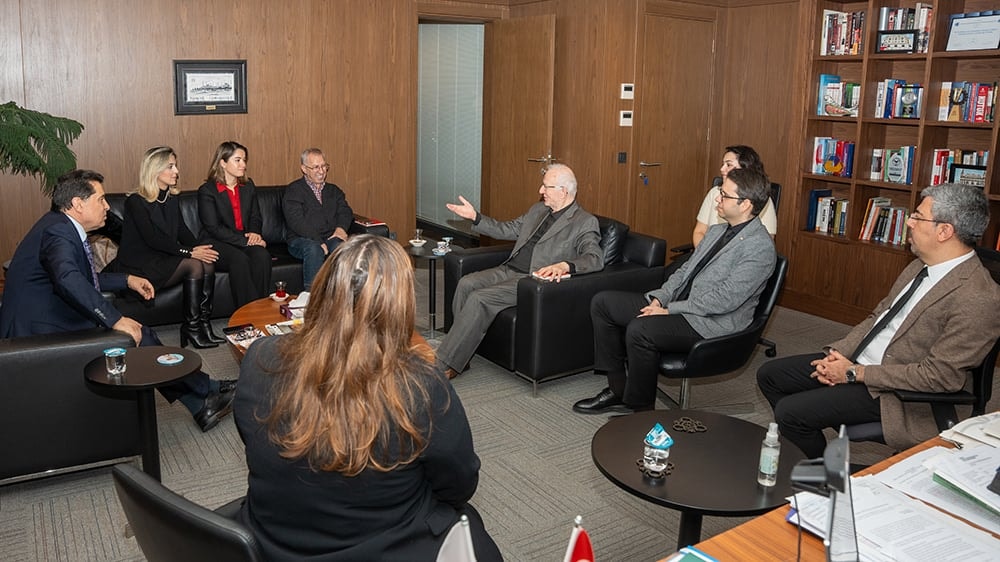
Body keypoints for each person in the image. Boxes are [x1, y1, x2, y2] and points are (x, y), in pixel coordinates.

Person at [234, 235, 501, 561]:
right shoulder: (422, 385)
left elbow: (254, 439)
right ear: (399, 306)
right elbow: (459, 484)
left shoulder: (260, 357)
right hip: (385, 547)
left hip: (272, 544)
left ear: (322, 290)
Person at [757, 183, 1000, 458]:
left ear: (944, 231)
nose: (909, 222)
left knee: (791, 413)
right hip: (861, 363)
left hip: (897, 392)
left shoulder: (979, 298)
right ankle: (806, 451)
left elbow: (939, 377)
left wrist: (853, 373)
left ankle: (817, 474)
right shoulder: (920, 265)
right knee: (771, 376)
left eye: (918, 217)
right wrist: (838, 354)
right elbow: (879, 317)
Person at [0, 170, 234, 432]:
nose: (107, 206)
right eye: (100, 199)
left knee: (141, 333)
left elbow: (81, 278)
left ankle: (204, 392)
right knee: (137, 335)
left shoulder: (59, 225)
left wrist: (127, 280)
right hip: (39, 331)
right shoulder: (58, 232)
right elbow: (67, 279)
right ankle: (203, 398)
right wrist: (115, 319)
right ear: (78, 204)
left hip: (49, 313)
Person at [575, 167, 776, 414]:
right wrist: (660, 299)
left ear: (745, 204)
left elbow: (725, 299)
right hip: (679, 305)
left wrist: (670, 310)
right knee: (603, 303)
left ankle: (641, 411)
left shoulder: (760, 248)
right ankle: (619, 390)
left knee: (640, 329)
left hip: (710, 322)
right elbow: (684, 271)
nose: (717, 198)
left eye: (724, 195)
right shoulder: (717, 231)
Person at [436, 163, 605, 377]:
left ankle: (443, 363)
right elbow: (507, 229)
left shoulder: (584, 222)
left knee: (480, 298)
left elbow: (594, 258)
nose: (541, 191)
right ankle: (459, 357)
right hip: (508, 269)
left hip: (531, 280)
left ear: (563, 191)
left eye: (546, 187)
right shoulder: (538, 210)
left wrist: (565, 265)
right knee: (466, 284)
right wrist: (475, 217)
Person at [115, 146, 223, 349]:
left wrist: (201, 249)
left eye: (175, 166)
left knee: (206, 262)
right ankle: (191, 328)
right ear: (155, 170)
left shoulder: (171, 199)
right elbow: (152, 239)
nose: (176, 171)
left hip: (163, 258)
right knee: (194, 265)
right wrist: (190, 252)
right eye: (170, 167)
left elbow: (182, 231)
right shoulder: (135, 202)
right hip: (141, 265)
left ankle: (202, 324)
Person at [197, 141, 271, 307]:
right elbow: (213, 228)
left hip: (242, 239)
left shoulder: (248, 186)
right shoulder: (207, 190)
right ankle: (247, 313)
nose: (243, 165)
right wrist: (246, 241)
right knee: (239, 259)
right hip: (216, 241)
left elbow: (255, 216)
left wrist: (255, 234)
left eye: (244, 160)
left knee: (262, 256)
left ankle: (261, 309)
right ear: (223, 163)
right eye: (237, 160)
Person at [283, 148, 355, 290]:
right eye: (316, 167)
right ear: (304, 169)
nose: (321, 171)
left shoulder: (334, 190)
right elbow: (296, 221)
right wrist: (318, 240)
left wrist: (341, 229)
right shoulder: (294, 190)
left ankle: (342, 293)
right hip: (301, 239)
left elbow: (345, 211)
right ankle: (312, 296)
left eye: (324, 166)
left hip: (329, 237)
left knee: (341, 247)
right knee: (314, 249)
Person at [691, 145, 777, 247]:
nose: (722, 169)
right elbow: (699, 232)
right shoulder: (714, 193)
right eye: (723, 164)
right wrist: (704, 254)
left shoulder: (760, 200)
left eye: (728, 165)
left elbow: (763, 244)